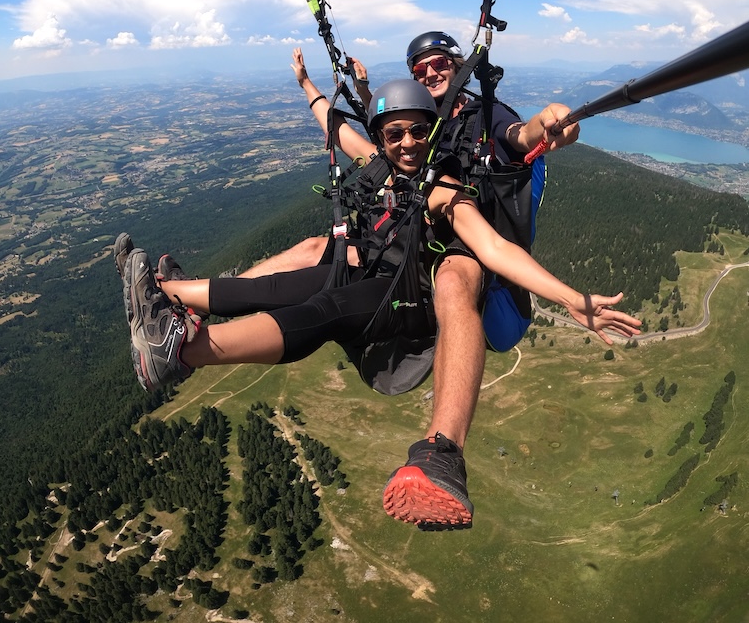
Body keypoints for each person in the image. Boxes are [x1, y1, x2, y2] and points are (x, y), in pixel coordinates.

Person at [116, 72, 639, 530]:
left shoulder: (443, 191)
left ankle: (183, 351)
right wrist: (307, 84)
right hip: (372, 273)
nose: (408, 143)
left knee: (323, 311)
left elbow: (495, 249)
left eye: (418, 132)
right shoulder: (377, 166)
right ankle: (170, 296)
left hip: (404, 302)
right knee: (288, 282)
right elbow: (335, 126)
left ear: (432, 134)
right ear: (382, 139)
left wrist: (571, 298)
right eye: (395, 134)